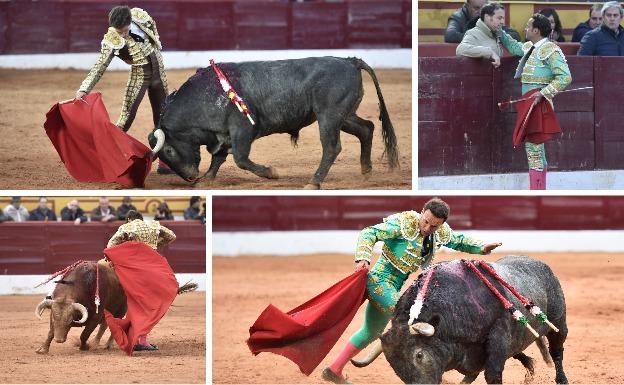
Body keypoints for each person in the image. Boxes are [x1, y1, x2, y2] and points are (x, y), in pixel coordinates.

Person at [322, 198, 502, 384]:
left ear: (441, 224)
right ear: (422, 212)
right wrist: (363, 258)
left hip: (396, 287)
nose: (427, 228)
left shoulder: (439, 232)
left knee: (371, 332)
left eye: (433, 226)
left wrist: (481, 248)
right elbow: (369, 233)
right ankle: (422, 375)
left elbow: (458, 241)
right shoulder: (404, 223)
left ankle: (334, 369)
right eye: (425, 221)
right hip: (379, 281)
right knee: (410, 322)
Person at [75, 6, 173, 174]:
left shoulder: (141, 17)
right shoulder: (112, 38)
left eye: (125, 31)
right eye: (119, 32)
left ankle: (165, 161)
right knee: (126, 118)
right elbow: (100, 65)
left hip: (158, 73)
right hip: (139, 76)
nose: (123, 35)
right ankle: (103, 157)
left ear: (130, 22)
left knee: (164, 117)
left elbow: (154, 31)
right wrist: (84, 88)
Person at [500, 14, 572, 190]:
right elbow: (515, 47)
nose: (524, 29)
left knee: (534, 149)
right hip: (529, 104)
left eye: (527, 27)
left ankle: (537, 193)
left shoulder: (550, 49)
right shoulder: (530, 47)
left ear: (536, 30)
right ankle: (539, 191)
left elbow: (565, 77)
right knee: (535, 149)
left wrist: (543, 92)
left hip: (539, 104)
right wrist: (499, 32)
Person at [105, 210, 177, 351]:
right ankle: (142, 340)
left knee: (135, 303)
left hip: (135, 270)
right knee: (150, 304)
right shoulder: (154, 225)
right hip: (153, 268)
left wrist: (126, 251)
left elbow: (110, 245)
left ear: (129, 219)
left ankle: (135, 338)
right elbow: (172, 236)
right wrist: (156, 245)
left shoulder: (128, 227)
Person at [456, 3, 506, 68]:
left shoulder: (496, 33)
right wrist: (490, 52)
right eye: (499, 18)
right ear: (487, 17)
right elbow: (460, 49)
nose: (502, 22)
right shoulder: (474, 33)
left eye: (503, 18)